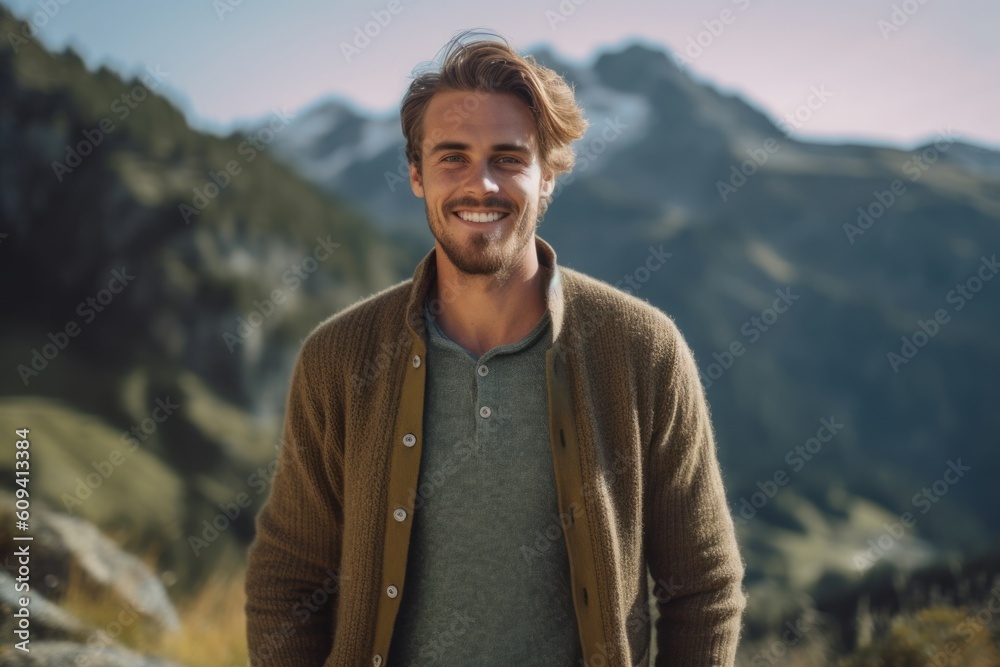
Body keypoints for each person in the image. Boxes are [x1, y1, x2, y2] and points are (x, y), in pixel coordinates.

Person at [245, 30, 746, 667]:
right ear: (416, 175)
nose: (479, 184)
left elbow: (702, 587)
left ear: (547, 180)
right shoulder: (339, 359)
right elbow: (288, 581)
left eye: (508, 158)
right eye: (452, 156)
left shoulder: (642, 350)